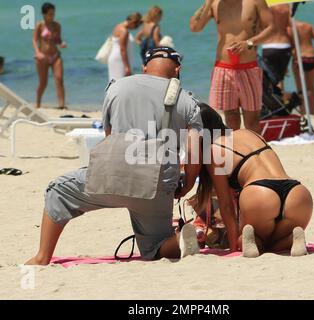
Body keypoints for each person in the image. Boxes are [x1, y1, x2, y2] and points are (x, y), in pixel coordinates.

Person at [25, 47, 203, 265]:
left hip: (113, 178)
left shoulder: (117, 87)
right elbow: (194, 152)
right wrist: (185, 185)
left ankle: (42, 257)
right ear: (177, 70)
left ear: (145, 67)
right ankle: (179, 242)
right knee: (154, 247)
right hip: (157, 184)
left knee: (58, 190)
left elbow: (109, 136)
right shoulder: (187, 101)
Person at [194, 103, 313, 257]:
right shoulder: (249, 133)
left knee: (251, 241)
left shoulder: (214, 150)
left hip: (260, 194)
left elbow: (226, 205)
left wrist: (233, 247)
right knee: (276, 242)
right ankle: (292, 239)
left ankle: (247, 240)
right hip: (298, 195)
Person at [190, 0, 275, 132]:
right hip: (223, 68)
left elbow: (272, 28)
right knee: (230, 118)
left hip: (248, 67)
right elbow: (195, 27)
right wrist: (207, 3)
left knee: (252, 120)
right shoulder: (214, 4)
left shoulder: (255, 2)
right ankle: (235, 151)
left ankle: (254, 151)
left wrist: (249, 43)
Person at [33, 2, 67, 109]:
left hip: (55, 56)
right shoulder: (40, 25)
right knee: (43, 83)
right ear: (44, 14)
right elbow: (34, 40)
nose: (52, 16)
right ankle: (38, 103)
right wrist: (37, 52)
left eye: (53, 14)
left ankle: (61, 105)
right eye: (50, 14)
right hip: (42, 57)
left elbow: (58, 40)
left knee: (59, 79)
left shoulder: (57, 25)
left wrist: (61, 43)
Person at [288, 21, 314, 115]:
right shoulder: (308, 26)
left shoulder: (289, 28)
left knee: (300, 89)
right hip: (311, 57)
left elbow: (289, 47)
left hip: (298, 59)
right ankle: (312, 113)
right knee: (311, 89)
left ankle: (303, 112)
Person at [262, 4, 292, 90]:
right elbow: (290, 27)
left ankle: (277, 100)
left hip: (269, 45)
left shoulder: (265, 6)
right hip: (284, 45)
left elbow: (261, 26)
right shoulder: (286, 7)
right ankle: (281, 99)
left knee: (271, 78)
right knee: (281, 78)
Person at [108, 13, 142, 80]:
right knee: (120, 82)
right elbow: (123, 49)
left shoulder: (118, 26)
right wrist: (127, 67)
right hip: (120, 60)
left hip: (115, 58)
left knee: (113, 82)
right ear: (133, 23)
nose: (135, 28)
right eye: (136, 26)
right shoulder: (124, 31)